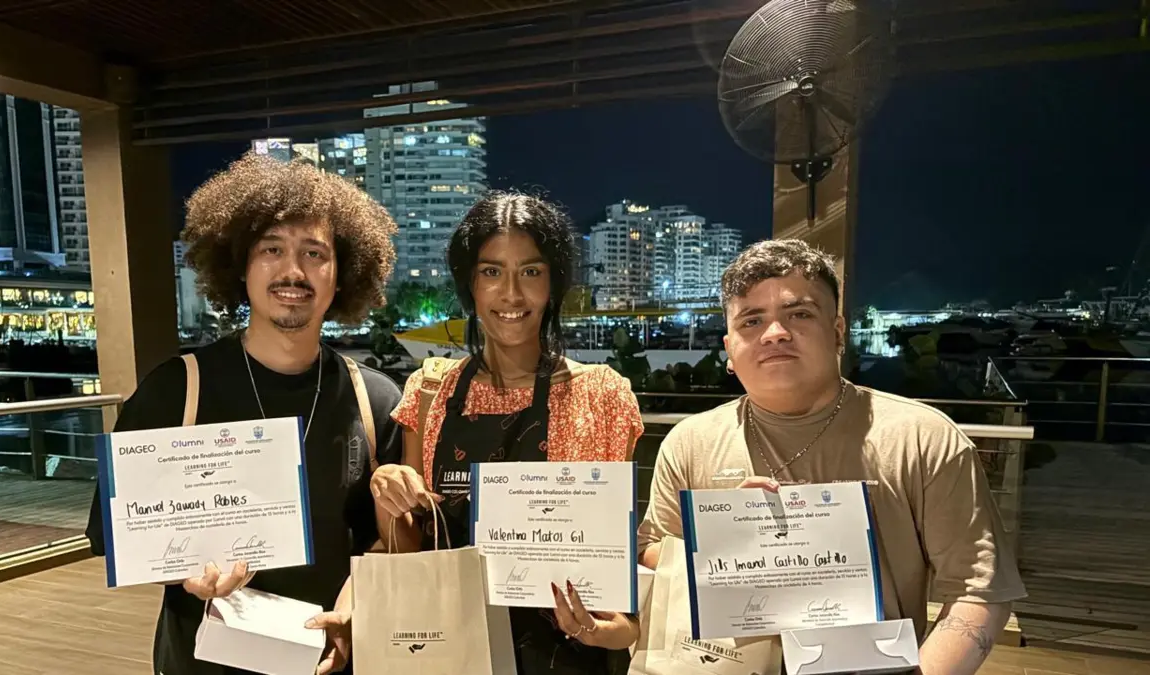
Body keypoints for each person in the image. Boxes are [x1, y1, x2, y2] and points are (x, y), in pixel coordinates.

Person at [637, 239, 1026, 675]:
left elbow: (979, 591)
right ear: (729, 348)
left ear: (838, 331)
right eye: (752, 320)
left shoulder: (922, 439)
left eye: (799, 314)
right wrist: (725, 540)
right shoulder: (689, 442)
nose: (775, 333)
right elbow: (653, 550)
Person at [84, 154, 404, 675]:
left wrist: (356, 604)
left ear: (343, 274)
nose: (293, 271)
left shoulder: (375, 400)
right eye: (271, 249)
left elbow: (385, 542)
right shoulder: (176, 389)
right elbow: (115, 530)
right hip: (204, 660)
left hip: (329, 657)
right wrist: (179, 571)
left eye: (315, 253)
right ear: (240, 265)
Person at [368, 192, 645, 674]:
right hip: (450, 653)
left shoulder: (602, 397)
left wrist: (600, 630)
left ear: (553, 284)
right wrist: (387, 492)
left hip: (565, 660)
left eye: (531, 272)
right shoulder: (431, 392)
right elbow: (409, 552)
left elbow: (622, 611)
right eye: (492, 272)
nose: (512, 294)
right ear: (470, 284)